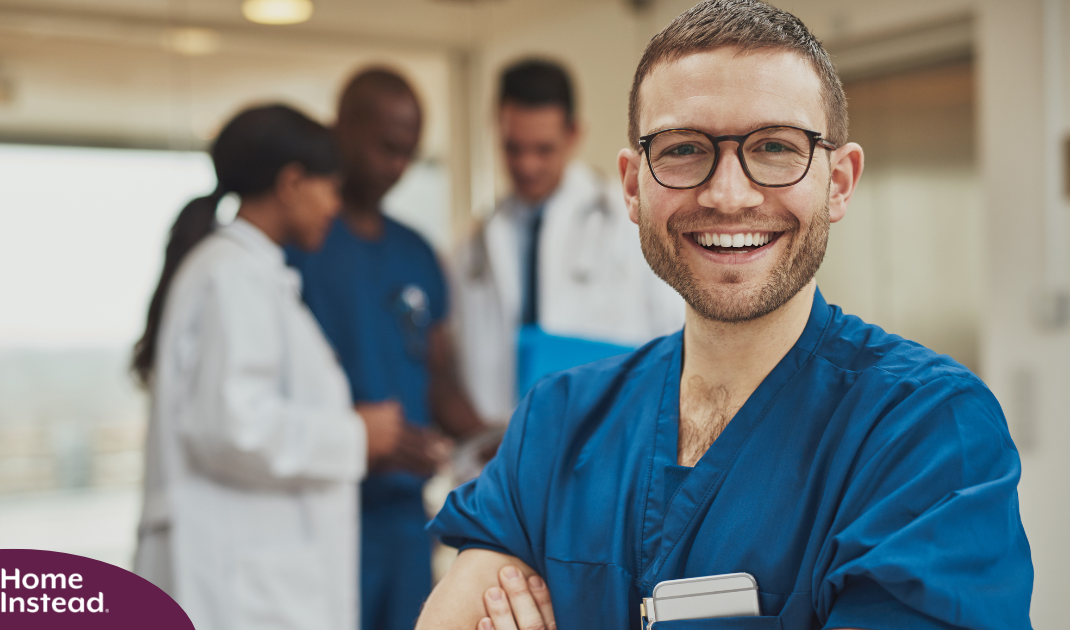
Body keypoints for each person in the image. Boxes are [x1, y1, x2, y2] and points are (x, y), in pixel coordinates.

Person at [418, 2, 1035, 629]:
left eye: (774, 147)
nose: (727, 194)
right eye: (684, 149)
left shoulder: (926, 433)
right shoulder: (558, 423)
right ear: (633, 186)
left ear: (839, 181)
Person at [131, 104, 404, 630]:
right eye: (329, 189)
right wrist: (355, 436)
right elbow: (232, 427)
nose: (333, 207)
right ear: (292, 182)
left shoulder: (249, 273)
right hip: (238, 585)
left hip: (251, 577)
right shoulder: (233, 276)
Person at [286, 69, 490, 630]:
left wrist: (495, 438)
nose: (397, 167)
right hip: (317, 509)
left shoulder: (417, 254)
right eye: (386, 148)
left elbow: (438, 377)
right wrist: (357, 434)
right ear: (342, 129)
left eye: (409, 154)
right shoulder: (297, 246)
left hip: (404, 519)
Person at [453, 59, 684, 424]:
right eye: (514, 148)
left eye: (543, 149)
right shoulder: (476, 244)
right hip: (503, 449)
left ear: (574, 134)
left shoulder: (629, 221)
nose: (527, 165)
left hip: (610, 436)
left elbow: (677, 338)